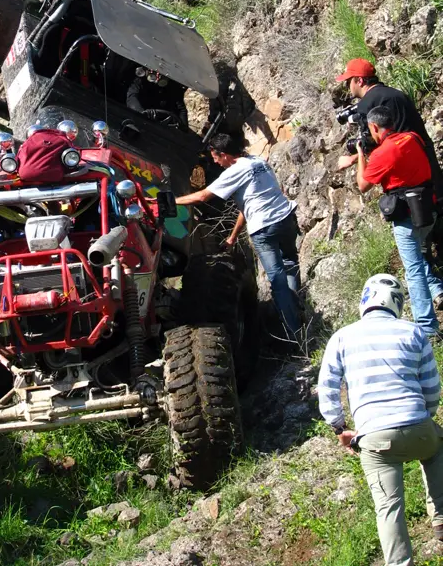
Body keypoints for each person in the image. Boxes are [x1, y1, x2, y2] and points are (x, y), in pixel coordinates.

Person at [318, 273, 443, 566]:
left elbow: (327, 387)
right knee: (437, 448)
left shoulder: (342, 337)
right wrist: (426, 417)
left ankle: (400, 563)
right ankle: (440, 519)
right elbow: (432, 389)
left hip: (375, 438)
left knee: (389, 507)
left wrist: (338, 427)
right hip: (419, 427)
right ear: (397, 302)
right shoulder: (413, 332)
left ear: (365, 300)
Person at [175, 132, 302, 340]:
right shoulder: (258, 162)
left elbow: (202, 196)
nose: (215, 162)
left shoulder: (235, 170)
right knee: (289, 264)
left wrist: (171, 201)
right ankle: (297, 311)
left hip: (265, 228)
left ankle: (294, 335)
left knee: (277, 281)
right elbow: (248, 206)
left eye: (215, 157)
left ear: (224, 154)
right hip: (286, 218)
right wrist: (233, 237)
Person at [339, 106, 443, 336]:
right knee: (419, 255)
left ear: (374, 127)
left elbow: (363, 185)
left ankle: (427, 327)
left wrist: (360, 157)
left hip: (407, 218)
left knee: (413, 269)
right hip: (429, 210)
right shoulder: (412, 137)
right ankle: (437, 290)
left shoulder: (381, 155)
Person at [335, 58, 442, 190]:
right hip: (426, 159)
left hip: (406, 176)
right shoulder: (397, 94)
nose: (348, 86)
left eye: (348, 82)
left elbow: (371, 146)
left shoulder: (366, 104)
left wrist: (354, 158)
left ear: (359, 80)